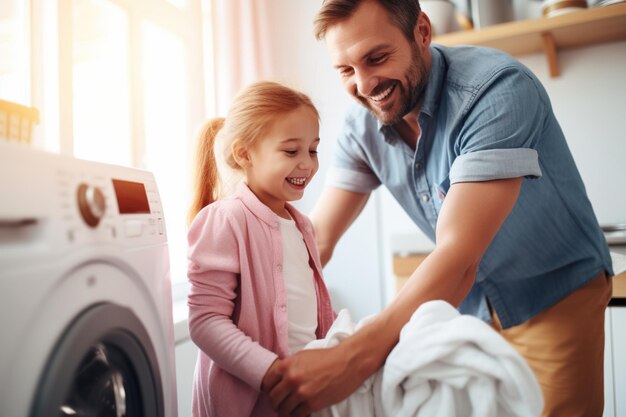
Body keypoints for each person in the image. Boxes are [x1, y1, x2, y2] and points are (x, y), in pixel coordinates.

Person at [265, 1, 614, 417]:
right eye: (345, 70)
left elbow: (458, 255)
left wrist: (354, 357)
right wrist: (252, 314)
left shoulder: (497, 89)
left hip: (552, 295)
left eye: (377, 58)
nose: (364, 83)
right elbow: (316, 239)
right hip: (464, 307)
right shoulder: (361, 126)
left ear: (422, 32)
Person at [186, 81, 335, 417]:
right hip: (250, 403)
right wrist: (272, 374)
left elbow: (308, 312)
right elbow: (206, 321)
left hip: (298, 400)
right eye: (291, 151)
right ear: (244, 153)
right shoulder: (226, 220)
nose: (307, 164)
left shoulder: (302, 226)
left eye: (312, 150)